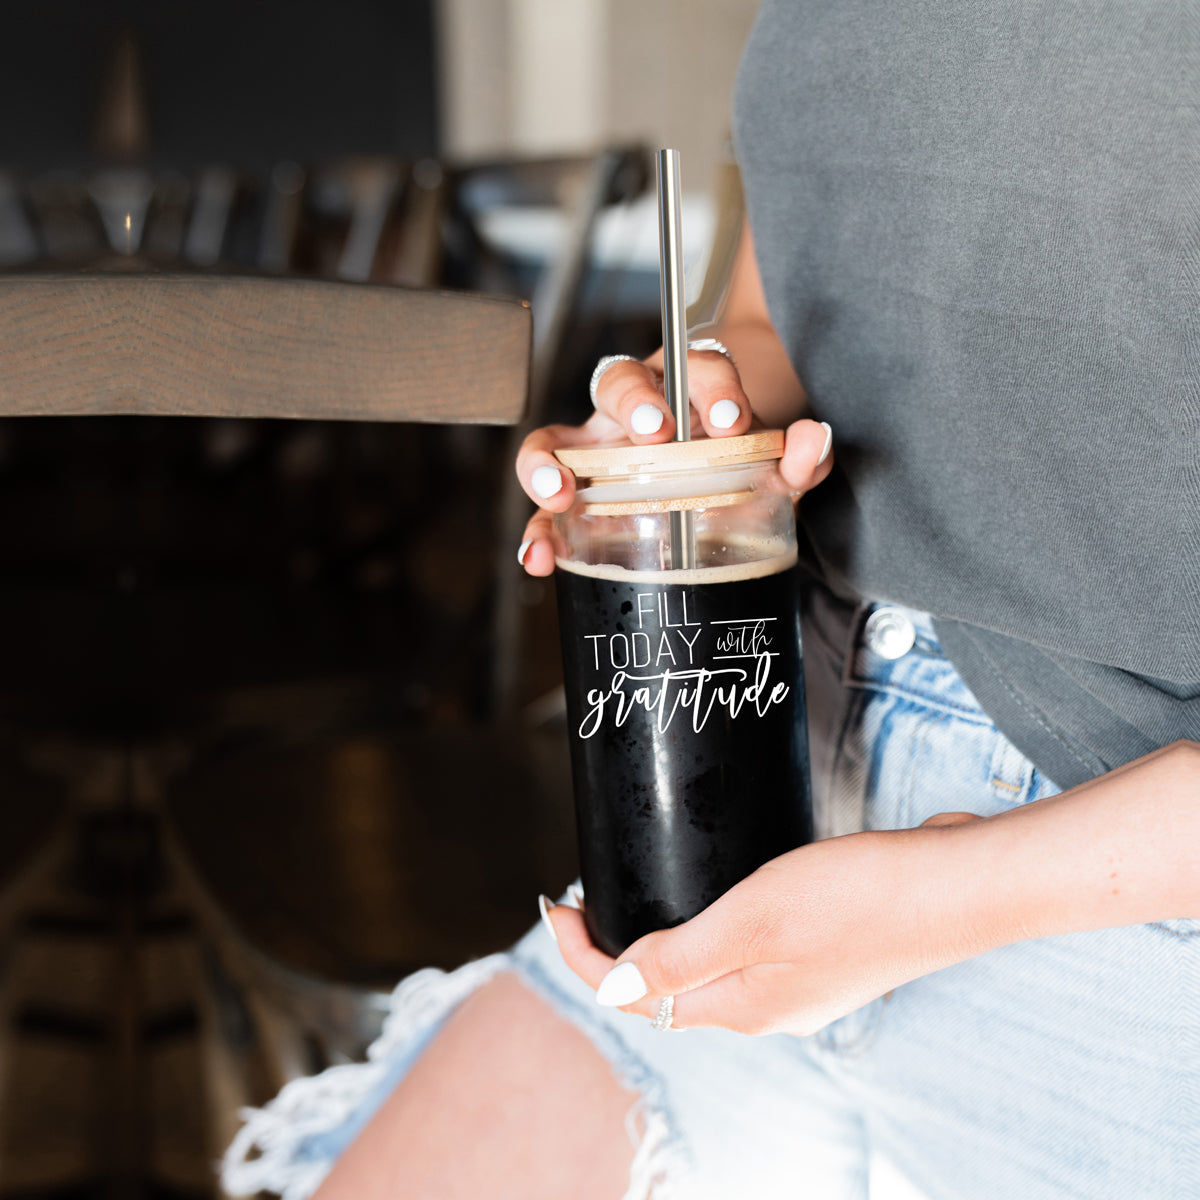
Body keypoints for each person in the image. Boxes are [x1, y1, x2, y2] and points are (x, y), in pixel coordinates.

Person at [224, 3, 1199, 1197]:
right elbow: (778, 316)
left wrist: (962, 891)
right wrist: (692, 420)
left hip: (1123, 896)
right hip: (765, 788)